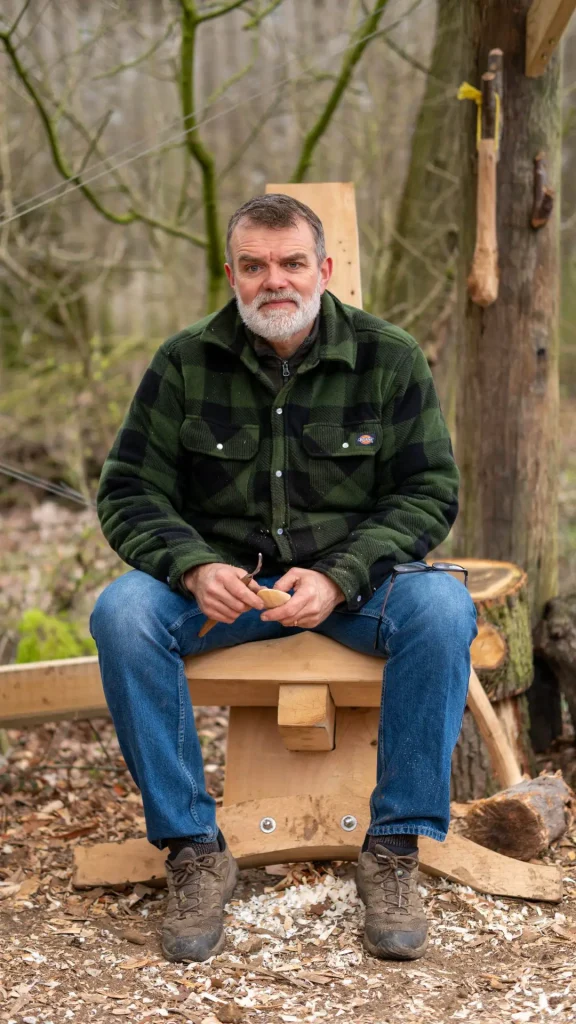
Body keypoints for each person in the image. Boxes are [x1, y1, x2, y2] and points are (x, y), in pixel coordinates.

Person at [91, 193, 477, 965]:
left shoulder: (388, 356)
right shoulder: (183, 361)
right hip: (224, 595)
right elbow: (127, 490)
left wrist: (337, 576)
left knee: (443, 608)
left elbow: (429, 492)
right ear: (230, 272)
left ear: (324, 270)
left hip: (357, 589)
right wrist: (194, 567)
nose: (276, 280)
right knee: (121, 612)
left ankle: (396, 850)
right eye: (256, 264)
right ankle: (195, 850)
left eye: (293, 262)